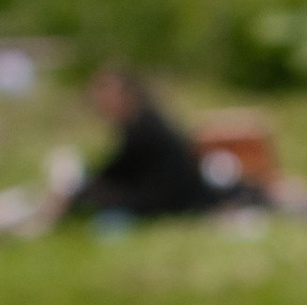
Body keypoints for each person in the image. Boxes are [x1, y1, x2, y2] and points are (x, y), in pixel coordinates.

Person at [61, 70, 259, 223]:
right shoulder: (144, 121)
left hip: (168, 200)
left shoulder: (144, 128)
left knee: (88, 194)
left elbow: (116, 171)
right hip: (172, 195)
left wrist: (76, 189)